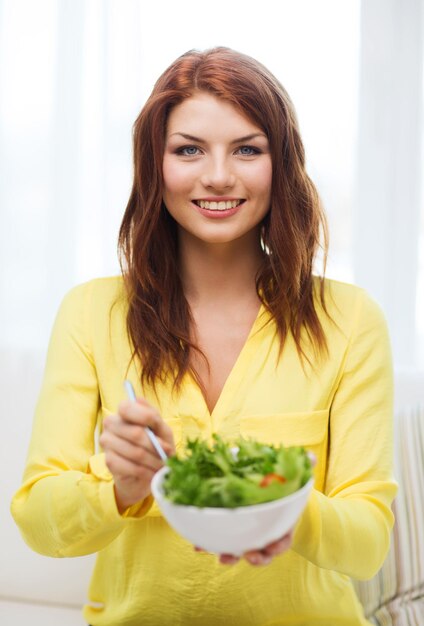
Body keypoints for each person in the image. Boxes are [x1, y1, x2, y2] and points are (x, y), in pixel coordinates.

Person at [11, 47, 397, 626]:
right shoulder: (91, 312)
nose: (218, 176)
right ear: (154, 164)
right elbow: (40, 523)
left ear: (282, 164)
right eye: (188, 149)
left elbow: (367, 547)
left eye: (247, 149)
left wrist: (283, 508)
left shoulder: (351, 319)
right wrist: (119, 485)